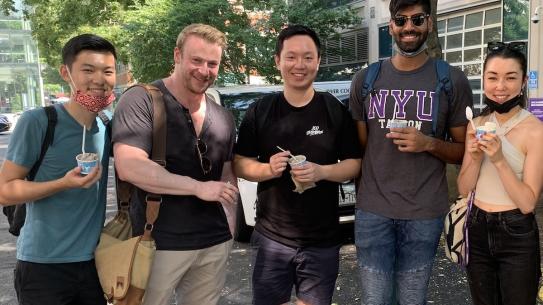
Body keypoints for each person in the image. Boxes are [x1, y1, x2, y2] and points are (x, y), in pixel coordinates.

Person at [348, 0, 474, 303]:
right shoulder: (366, 80)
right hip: (373, 212)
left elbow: (466, 153)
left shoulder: (451, 79)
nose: (409, 27)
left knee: (412, 299)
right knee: (374, 300)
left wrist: (428, 142)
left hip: (424, 214)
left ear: (429, 24)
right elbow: (362, 149)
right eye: (401, 20)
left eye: (417, 20)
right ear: (391, 25)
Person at [234, 24, 361, 305]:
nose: (299, 65)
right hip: (271, 240)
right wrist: (268, 169)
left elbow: (354, 164)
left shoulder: (333, 110)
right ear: (278, 60)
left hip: (323, 240)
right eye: (291, 57)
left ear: (318, 61)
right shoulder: (261, 110)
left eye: (307, 57)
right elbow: (240, 164)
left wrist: (323, 171)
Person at [112, 23, 239, 305]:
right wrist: (197, 187)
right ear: (177, 55)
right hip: (156, 243)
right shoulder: (141, 99)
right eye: (196, 60)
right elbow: (130, 166)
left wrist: (229, 230)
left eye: (212, 63)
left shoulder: (224, 117)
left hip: (213, 244)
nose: (204, 70)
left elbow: (227, 175)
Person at [0, 34, 116, 305]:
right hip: (43, 266)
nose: (99, 79)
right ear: (66, 73)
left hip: (93, 263)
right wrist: (63, 183)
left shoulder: (106, 125)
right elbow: (5, 191)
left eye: (107, 71)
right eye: (88, 70)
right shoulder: (39, 121)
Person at [457, 41, 543, 305]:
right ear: (483, 79)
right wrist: (473, 158)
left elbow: (528, 203)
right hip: (477, 228)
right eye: (492, 77)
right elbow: (463, 189)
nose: (500, 86)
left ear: (524, 80)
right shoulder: (477, 124)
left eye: (510, 78)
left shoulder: (535, 131)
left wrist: (499, 160)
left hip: (516, 232)